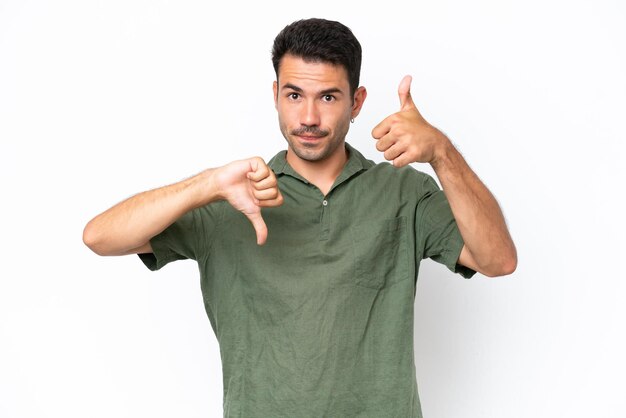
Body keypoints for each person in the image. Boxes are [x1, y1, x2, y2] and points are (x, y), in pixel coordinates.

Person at [83, 18, 516, 418]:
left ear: (357, 101)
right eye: (294, 95)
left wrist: (441, 152)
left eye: (328, 97)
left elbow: (498, 260)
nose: (309, 118)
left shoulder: (404, 193)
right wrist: (207, 185)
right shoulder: (233, 196)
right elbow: (100, 237)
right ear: (275, 95)